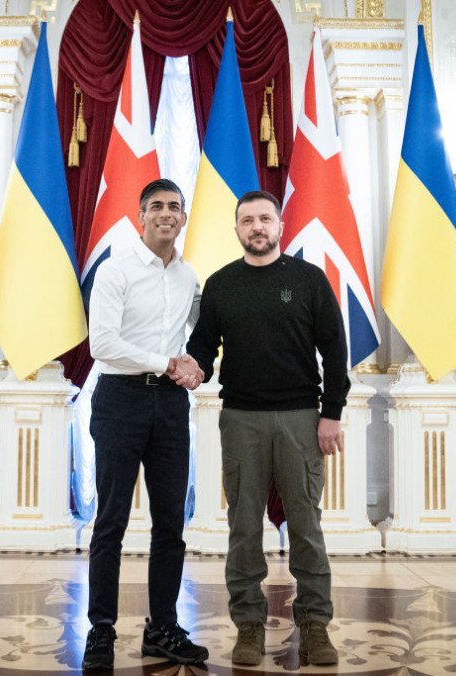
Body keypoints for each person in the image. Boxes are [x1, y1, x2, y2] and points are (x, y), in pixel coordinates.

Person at [185, 189, 348, 667]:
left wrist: (331, 413)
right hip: (240, 420)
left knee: (307, 527)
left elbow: (335, 352)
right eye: (247, 220)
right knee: (242, 528)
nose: (257, 227)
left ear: (280, 226)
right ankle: (249, 627)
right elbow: (202, 348)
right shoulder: (220, 285)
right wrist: (189, 368)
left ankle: (315, 625)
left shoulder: (309, 280)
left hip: (302, 419)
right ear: (237, 230)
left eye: (265, 219)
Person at [82, 178, 209, 670]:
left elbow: (201, 335)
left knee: (171, 523)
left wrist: (193, 366)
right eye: (156, 206)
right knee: (110, 520)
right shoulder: (115, 272)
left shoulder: (188, 277)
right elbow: (103, 345)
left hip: (170, 407)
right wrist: (167, 362)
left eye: (174, 207)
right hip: (120, 400)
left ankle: (162, 629)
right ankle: (101, 632)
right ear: (141, 216)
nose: (166, 214)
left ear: (182, 218)